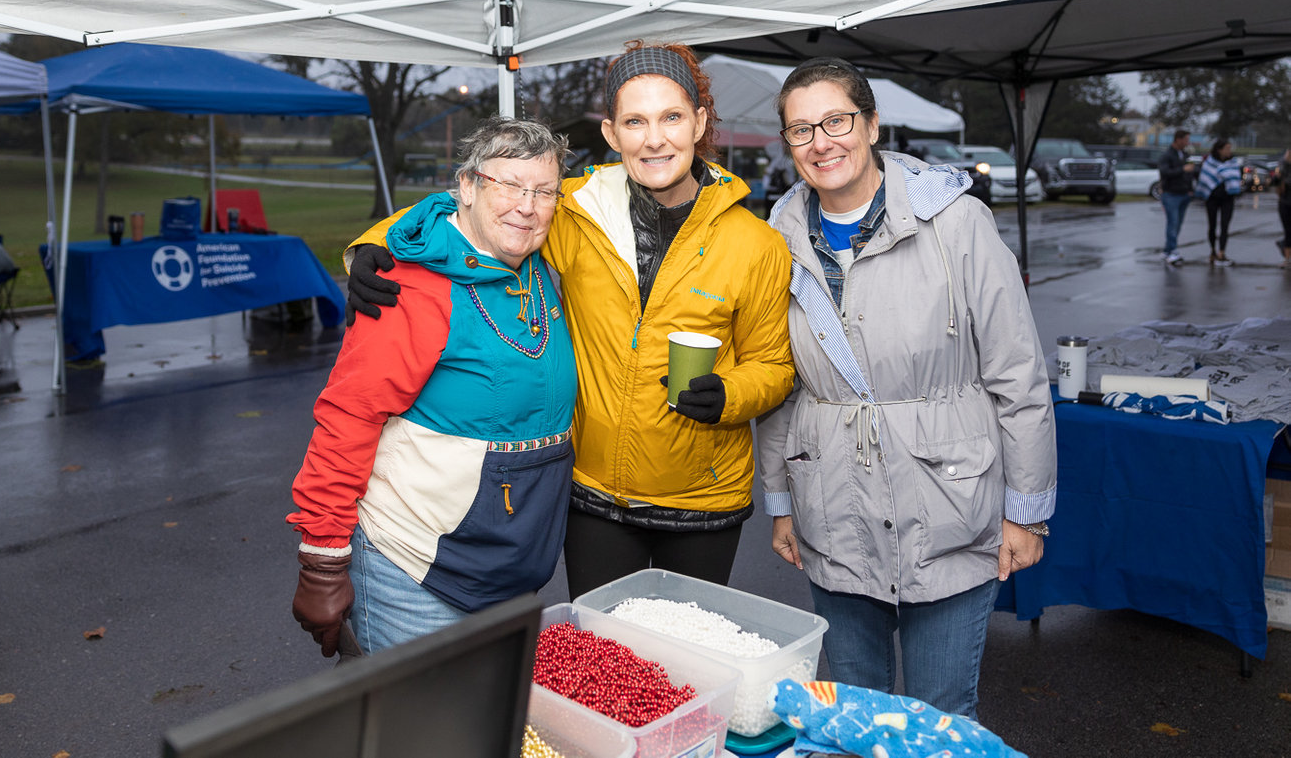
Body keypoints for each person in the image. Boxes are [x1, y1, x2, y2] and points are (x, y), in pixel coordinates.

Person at [344, 42, 794, 599]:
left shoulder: (757, 245)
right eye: (635, 121)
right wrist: (374, 241)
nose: (654, 139)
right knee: (603, 666)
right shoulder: (573, 209)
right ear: (611, 134)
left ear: (699, 123)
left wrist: (730, 394)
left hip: (704, 499)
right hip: (591, 494)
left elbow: (774, 367)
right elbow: (474, 207)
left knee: (692, 666)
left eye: (671, 118)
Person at [755, 57, 1057, 720]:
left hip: (949, 506)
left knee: (940, 715)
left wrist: (1025, 511)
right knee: (854, 714)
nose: (821, 142)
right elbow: (782, 384)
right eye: (800, 130)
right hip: (832, 507)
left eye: (836, 120)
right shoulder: (774, 242)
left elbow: (1018, 375)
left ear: (871, 124)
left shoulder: (958, 226)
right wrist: (781, 500)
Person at [287, 116, 577, 657]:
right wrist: (322, 561)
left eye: (542, 191)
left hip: (511, 573)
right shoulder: (410, 290)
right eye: (507, 185)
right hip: (414, 570)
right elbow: (347, 419)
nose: (527, 204)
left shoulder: (544, 270)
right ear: (466, 187)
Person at [1193, 137, 1243, 266]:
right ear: (1219, 150)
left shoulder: (1232, 162)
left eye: (1230, 148)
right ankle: (1212, 251)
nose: (1229, 151)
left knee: (1225, 226)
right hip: (1212, 198)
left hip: (1228, 198)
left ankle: (1222, 252)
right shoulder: (1209, 163)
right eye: (1227, 148)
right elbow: (1204, 179)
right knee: (1212, 226)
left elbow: (1236, 177)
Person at [1158, 129, 1196, 265]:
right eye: (1186, 140)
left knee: (1178, 224)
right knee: (1172, 223)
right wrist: (1182, 169)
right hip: (1171, 194)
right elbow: (1165, 172)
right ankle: (1173, 251)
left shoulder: (1185, 155)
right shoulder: (1167, 155)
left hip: (1184, 194)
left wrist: (1190, 189)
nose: (1187, 143)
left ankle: (1168, 250)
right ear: (1178, 139)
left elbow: (1189, 174)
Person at [1276, 148, 1291, 269]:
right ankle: (1287, 260)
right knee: (1288, 231)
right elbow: (1277, 181)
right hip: (1285, 202)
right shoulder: (1283, 165)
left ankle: (1283, 247)